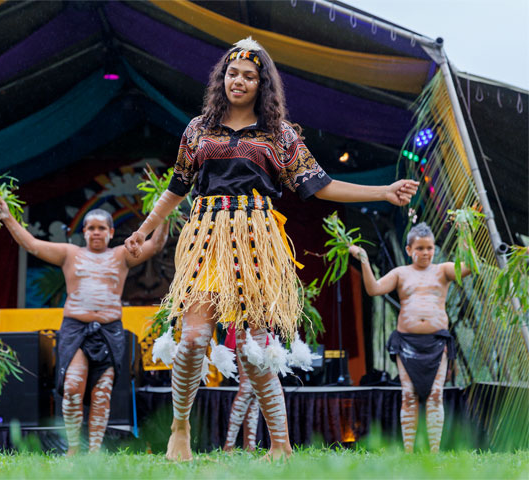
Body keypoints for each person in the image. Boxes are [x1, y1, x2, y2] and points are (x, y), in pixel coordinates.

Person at [124, 37, 419, 460]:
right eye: (232, 73)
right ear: (221, 78)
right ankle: (180, 428)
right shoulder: (197, 129)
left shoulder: (278, 135)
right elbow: (176, 188)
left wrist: (383, 191)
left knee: (257, 346)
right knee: (191, 340)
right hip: (206, 239)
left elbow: (322, 186)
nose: (239, 81)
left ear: (263, 85)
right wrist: (144, 228)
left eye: (249, 75)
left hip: (256, 243)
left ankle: (280, 445)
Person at [0, 197, 168, 455]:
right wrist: (7, 216)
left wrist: (165, 216)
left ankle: (94, 450)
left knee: (101, 393)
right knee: (73, 387)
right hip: (76, 328)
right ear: (83, 232)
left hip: (109, 330)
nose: (96, 232)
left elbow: (156, 244)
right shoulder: (69, 253)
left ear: (110, 232)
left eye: (101, 228)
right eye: (91, 228)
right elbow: (30, 244)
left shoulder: (121, 255)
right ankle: (74, 447)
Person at [349, 222, 469, 453]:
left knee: (435, 395)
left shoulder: (443, 270)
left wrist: (465, 237)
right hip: (406, 342)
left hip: (436, 342)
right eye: (420, 248)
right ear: (408, 250)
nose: (425, 253)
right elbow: (373, 289)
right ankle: (408, 452)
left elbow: (468, 268)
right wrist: (363, 259)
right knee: (409, 396)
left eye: (430, 248)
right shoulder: (400, 273)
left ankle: (433, 452)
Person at [223, 361, 259, 452]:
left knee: (254, 390)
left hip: (263, 347)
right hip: (246, 347)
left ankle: (250, 446)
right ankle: (229, 446)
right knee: (247, 388)